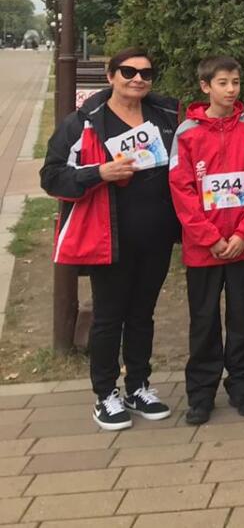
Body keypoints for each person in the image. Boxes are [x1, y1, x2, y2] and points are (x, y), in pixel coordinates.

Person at [41, 48, 179, 431]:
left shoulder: (165, 115)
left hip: (156, 236)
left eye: (146, 73)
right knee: (108, 316)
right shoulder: (84, 122)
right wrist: (99, 173)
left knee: (142, 314)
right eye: (128, 72)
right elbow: (51, 176)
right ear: (111, 75)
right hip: (110, 236)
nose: (138, 79)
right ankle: (105, 394)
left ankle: (138, 386)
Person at [169, 56, 244, 425]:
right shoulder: (187, 133)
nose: (231, 90)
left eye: (235, 82)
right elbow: (181, 190)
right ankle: (201, 394)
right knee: (204, 322)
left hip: (243, 246)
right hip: (204, 250)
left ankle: (242, 387)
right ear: (205, 86)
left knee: (242, 319)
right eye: (222, 83)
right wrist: (209, 237)